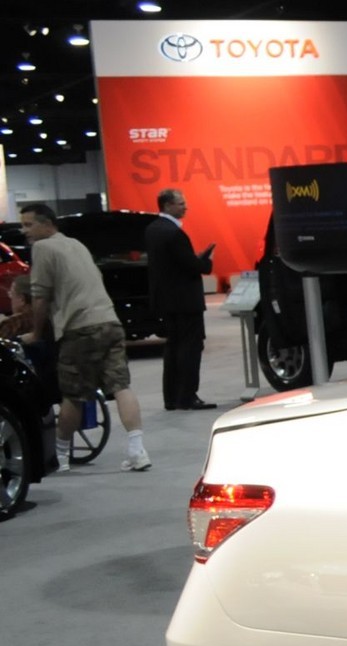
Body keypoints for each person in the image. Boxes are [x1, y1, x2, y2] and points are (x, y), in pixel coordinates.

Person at [18, 203, 149, 469]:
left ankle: (60, 457)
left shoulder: (43, 248)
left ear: (47, 224)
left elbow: (40, 296)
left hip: (79, 328)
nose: (24, 231)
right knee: (121, 387)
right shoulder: (76, 244)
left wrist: (36, 333)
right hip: (109, 322)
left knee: (73, 395)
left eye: (29, 225)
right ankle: (138, 451)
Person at [143, 187, 216, 410]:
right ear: (167, 205)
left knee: (173, 348)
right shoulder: (174, 233)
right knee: (190, 349)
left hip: (167, 301)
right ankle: (187, 396)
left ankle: (171, 397)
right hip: (186, 302)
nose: (186, 207)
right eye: (181, 203)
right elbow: (192, 266)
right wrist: (206, 261)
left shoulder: (153, 229)